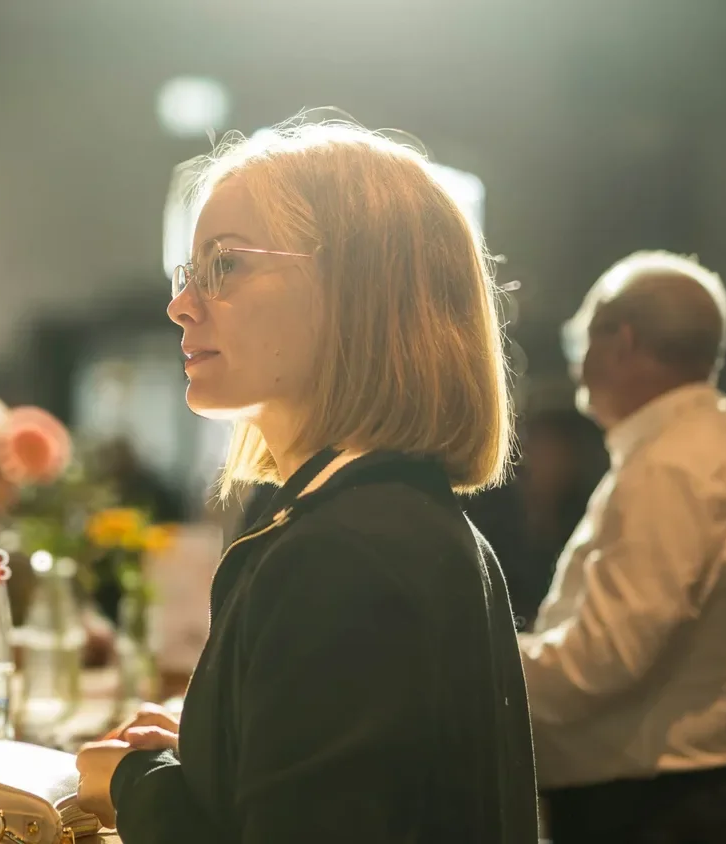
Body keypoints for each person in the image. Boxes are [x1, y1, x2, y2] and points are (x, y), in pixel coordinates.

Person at [76, 118, 538, 843]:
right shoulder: (390, 516)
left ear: (358, 290)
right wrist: (213, 743)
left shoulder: (347, 555)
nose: (181, 305)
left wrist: (133, 785)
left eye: (225, 265)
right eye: (189, 271)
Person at [520, 251, 726, 844]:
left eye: (579, 341)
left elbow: (601, 661)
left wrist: (478, 663)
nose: (578, 365)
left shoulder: (671, 469)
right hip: (690, 800)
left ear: (621, 342)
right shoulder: (717, 448)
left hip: (657, 812)